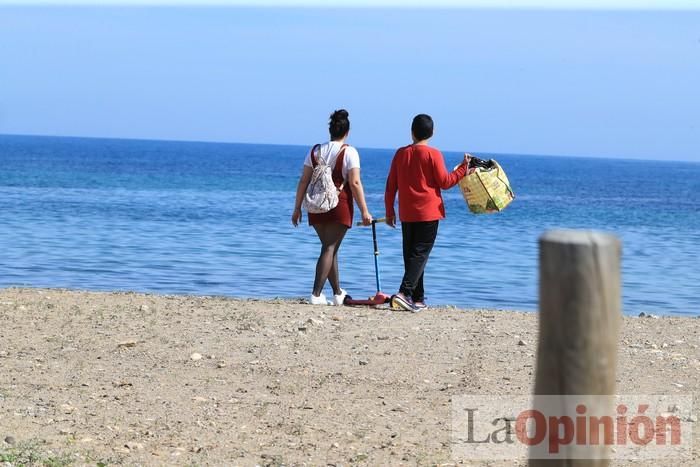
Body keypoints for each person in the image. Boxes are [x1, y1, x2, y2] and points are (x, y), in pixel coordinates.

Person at [384, 114, 471, 312]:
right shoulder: (433, 154)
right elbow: (445, 182)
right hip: (429, 212)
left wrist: (389, 210)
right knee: (419, 255)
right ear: (432, 133)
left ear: (411, 131)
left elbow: (391, 185)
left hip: (407, 212)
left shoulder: (400, 153)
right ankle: (404, 293)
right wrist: (463, 169)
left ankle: (418, 298)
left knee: (412, 255)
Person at [292, 109, 372, 305]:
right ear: (347, 132)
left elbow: (304, 181)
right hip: (339, 205)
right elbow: (354, 183)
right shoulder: (349, 152)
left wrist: (297, 208)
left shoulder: (315, 151)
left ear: (330, 130)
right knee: (329, 247)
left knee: (330, 248)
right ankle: (316, 294)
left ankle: (337, 293)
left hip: (316, 206)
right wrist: (364, 211)